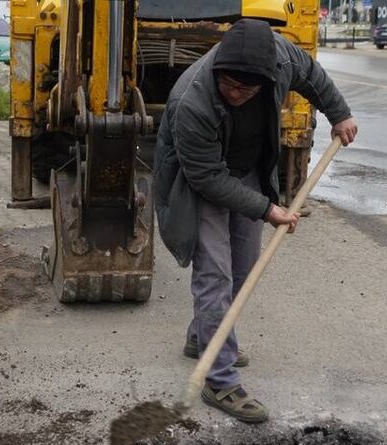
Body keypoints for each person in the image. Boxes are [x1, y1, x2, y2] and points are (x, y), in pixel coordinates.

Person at [153, 18, 357, 423]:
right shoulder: (191, 101)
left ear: (267, 77)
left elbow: (313, 77)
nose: (235, 93)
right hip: (201, 181)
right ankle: (220, 380)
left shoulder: (281, 57)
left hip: (247, 170)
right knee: (215, 274)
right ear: (218, 68)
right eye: (228, 84)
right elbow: (206, 176)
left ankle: (203, 337)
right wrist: (269, 209)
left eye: (246, 89)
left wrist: (340, 113)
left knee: (244, 270)